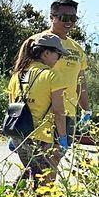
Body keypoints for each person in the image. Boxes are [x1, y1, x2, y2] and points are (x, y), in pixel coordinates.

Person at [7, 33, 69, 186]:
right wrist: (62, 139)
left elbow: (12, 105)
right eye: (58, 54)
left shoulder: (18, 75)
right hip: (40, 136)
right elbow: (59, 112)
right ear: (46, 53)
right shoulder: (52, 76)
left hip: (18, 133)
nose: (58, 59)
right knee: (42, 178)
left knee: (32, 170)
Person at [28, 0, 90, 144]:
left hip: (67, 113)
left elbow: (80, 82)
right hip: (38, 113)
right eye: (63, 17)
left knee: (50, 162)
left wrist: (86, 110)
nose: (68, 21)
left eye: (73, 18)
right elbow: (21, 75)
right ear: (51, 17)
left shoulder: (77, 49)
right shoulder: (36, 42)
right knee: (39, 162)